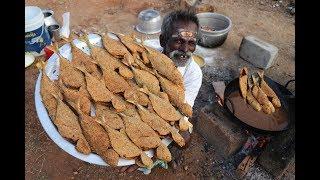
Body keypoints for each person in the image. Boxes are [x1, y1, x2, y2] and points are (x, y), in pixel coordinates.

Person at [120, 9, 203, 173]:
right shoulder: (145, 51)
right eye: (178, 41)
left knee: (185, 139)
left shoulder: (193, 73)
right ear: (162, 40)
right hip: (133, 103)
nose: (185, 49)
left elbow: (181, 111)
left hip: (168, 113)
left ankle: (158, 154)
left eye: (191, 43)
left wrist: (151, 151)